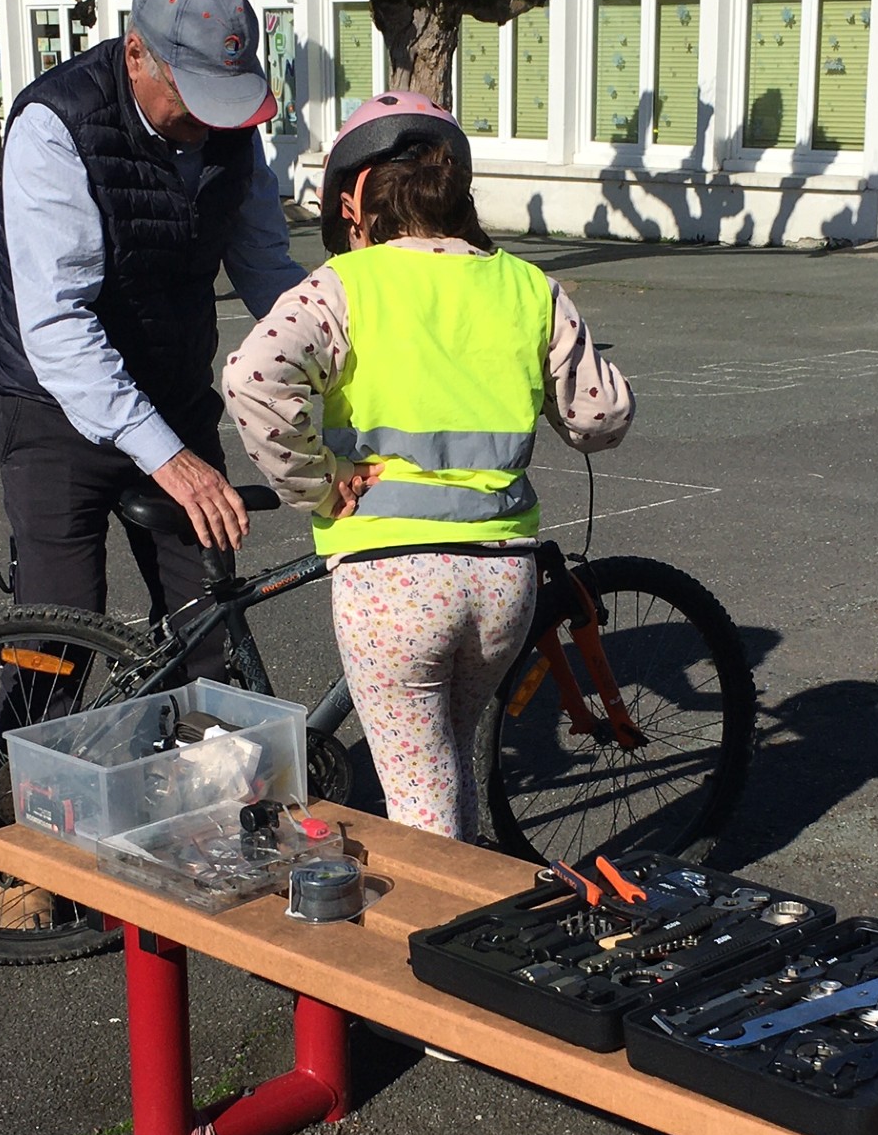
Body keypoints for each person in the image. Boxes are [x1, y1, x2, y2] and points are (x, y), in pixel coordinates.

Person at [0, 0, 304, 928]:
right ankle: (25, 853)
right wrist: (167, 455)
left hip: (170, 389)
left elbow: (267, 267)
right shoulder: (57, 124)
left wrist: (335, 377)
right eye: (191, 96)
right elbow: (60, 326)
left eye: (225, 101)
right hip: (55, 405)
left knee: (206, 622)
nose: (208, 121)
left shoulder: (229, 131)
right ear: (135, 55)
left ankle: (210, 823)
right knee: (55, 630)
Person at [220, 92, 635, 842]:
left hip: (393, 580)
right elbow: (599, 418)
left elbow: (253, 377)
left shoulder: (343, 285)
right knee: (451, 765)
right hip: (501, 577)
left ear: (353, 202)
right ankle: (472, 904)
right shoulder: (528, 286)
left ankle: (442, 919)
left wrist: (317, 481)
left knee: (420, 804)